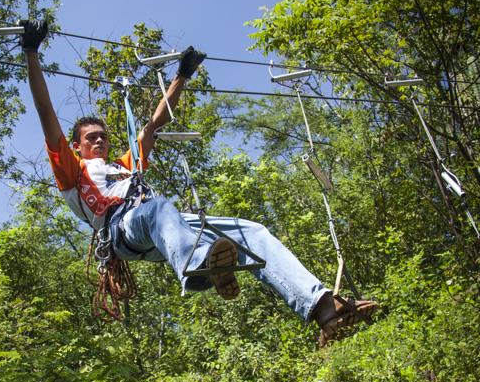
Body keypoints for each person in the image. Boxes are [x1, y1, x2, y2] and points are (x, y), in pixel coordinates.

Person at [22, 20, 377, 344]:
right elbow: (46, 115)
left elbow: (153, 126)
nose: (99, 141)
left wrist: (182, 76)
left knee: (251, 231)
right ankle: (198, 267)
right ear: (76, 146)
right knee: (158, 207)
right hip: (125, 229)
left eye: (103, 136)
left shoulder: (125, 165)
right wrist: (31, 53)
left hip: (166, 226)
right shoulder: (73, 171)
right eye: (91, 138)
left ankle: (322, 308)